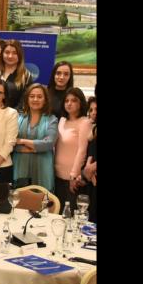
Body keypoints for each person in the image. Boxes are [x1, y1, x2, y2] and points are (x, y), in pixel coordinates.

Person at [12, 83, 58, 190]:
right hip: (20, 166)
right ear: (27, 99)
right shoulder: (17, 118)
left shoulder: (52, 119)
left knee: (42, 199)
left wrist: (22, 141)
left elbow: (49, 143)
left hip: (43, 169)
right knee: (20, 197)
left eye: (39, 96)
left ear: (45, 100)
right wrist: (36, 147)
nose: (35, 99)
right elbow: (11, 142)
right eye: (32, 96)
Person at [54, 87, 91, 210]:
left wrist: (74, 175)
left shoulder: (84, 122)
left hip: (71, 177)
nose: (69, 103)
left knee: (70, 214)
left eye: (74, 100)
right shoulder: (62, 120)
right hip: (56, 174)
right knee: (57, 212)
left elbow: (82, 150)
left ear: (81, 103)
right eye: (66, 101)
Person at [0, 40, 30, 110]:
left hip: (14, 114)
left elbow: (24, 102)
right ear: (2, 54)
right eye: (7, 52)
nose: (10, 56)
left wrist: (9, 114)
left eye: (14, 53)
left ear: (20, 55)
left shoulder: (26, 76)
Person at [83, 95, 97, 223]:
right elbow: (91, 150)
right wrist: (88, 168)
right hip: (91, 179)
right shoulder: (93, 129)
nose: (93, 113)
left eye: (96, 109)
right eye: (91, 110)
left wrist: (92, 167)